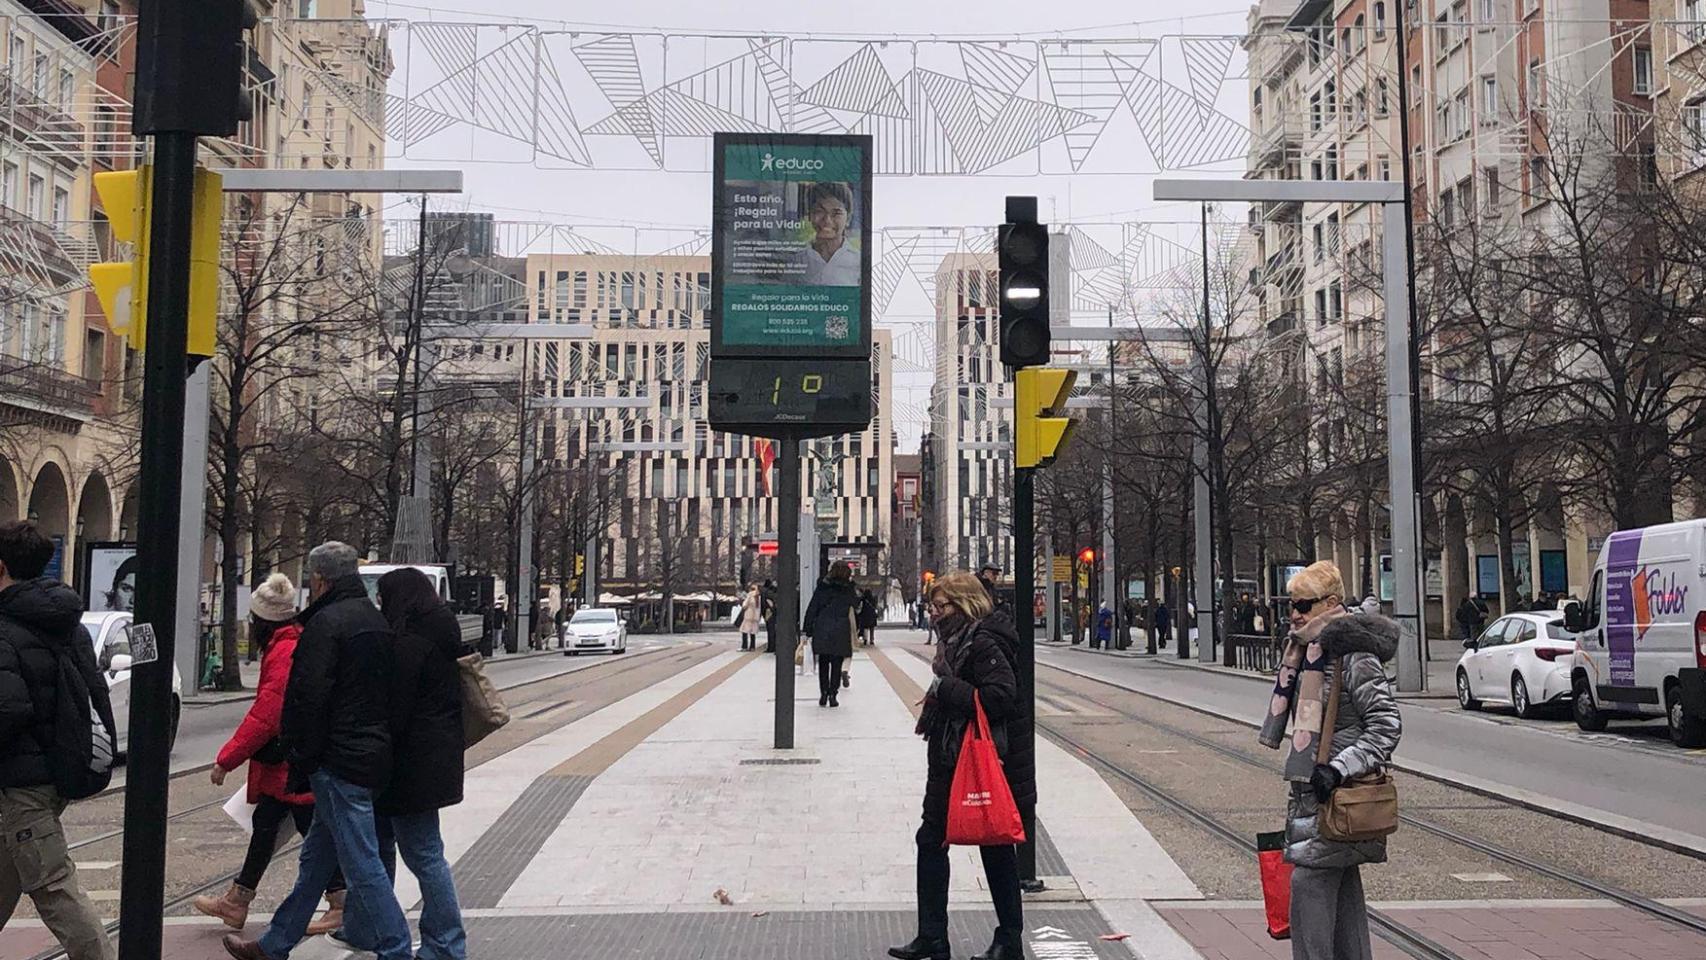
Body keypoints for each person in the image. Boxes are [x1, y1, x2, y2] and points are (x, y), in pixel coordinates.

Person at [222, 541, 412, 960]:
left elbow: (306, 698)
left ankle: (397, 948)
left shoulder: (325, 626)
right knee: (315, 862)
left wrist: (300, 755)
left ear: (319, 580)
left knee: (362, 864)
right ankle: (275, 944)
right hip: (370, 753)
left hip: (336, 762)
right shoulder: (377, 622)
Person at [1259, 561, 1400, 960]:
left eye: (1304, 604)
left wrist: (1338, 768)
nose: (1295, 613)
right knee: (1343, 893)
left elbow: (1386, 726)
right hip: (1315, 797)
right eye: (1291, 604)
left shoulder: (1353, 654)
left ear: (1332, 603)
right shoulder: (1304, 650)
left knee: (1309, 888)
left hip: (1337, 794)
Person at [889, 572, 1032, 960]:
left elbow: (1001, 695)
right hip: (952, 756)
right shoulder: (957, 639)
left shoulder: (983, 641)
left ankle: (1008, 939)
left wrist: (945, 690)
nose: (934, 614)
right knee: (931, 840)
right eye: (933, 607)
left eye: (941, 606)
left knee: (995, 847)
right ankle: (933, 937)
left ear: (963, 604)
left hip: (981, 758)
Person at [195, 574, 345, 933]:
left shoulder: (284, 650)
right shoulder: (288, 643)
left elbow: (267, 714)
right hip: (286, 762)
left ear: (264, 620)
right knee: (268, 825)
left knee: (313, 830)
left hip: (290, 761)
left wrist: (226, 759)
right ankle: (237, 901)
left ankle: (340, 900)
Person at [0, 520, 117, 960]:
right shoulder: (69, 624)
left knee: (53, 886)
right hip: (56, 769)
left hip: (21, 781)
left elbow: (6, 709)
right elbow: (95, 690)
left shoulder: (5, 627)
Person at [368, 567, 468, 960]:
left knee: (424, 854)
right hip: (434, 761)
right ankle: (439, 940)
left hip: (412, 766)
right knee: (423, 852)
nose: (380, 605)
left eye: (383, 598)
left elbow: (396, 707)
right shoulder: (441, 630)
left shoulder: (411, 642)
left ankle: (445, 943)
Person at [801, 562, 858, 707]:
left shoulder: (823, 587)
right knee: (837, 663)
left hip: (823, 627)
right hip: (840, 628)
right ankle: (833, 694)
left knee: (824, 662)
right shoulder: (848, 589)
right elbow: (856, 604)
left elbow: (813, 607)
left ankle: (823, 693)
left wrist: (807, 629)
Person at [796, 181, 860, 286]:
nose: (827, 220)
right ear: (809, 216)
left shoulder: (858, 262)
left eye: (836, 213)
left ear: (848, 219)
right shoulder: (797, 260)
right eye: (819, 211)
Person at [738, 584, 763, 652]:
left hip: (748, 616)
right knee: (753, 633)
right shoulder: (759, 597)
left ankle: (744, 646)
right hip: (756, 617)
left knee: (744, 631)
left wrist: (743, 604)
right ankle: (752, 647)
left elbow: (745, 605)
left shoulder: (750, 595)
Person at [761, 580, 778, 654]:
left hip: (769, 612)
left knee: (770, 630)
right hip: (771, 612)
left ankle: (771, 647)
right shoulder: (771, 592)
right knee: (772, 630)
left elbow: (764, 604)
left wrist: (763, 613)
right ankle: (772, 646)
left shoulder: (766, 592)